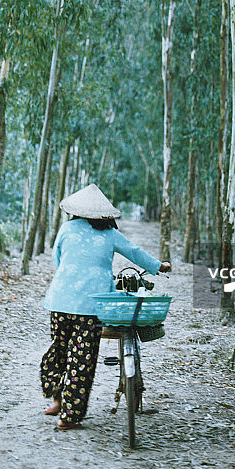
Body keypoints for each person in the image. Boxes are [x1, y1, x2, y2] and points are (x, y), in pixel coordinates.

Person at [40, 183, 171, 430]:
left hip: (60, 301)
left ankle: (57, 398)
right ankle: (69, 416)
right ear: (104, 214)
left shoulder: (66, 229)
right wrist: (159, 266)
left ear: (76, 211)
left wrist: (70, 283)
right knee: (82, 360)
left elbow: (58, 262)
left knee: (58, 350)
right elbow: (135, 252)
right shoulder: (110, 234)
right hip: (92, 307)